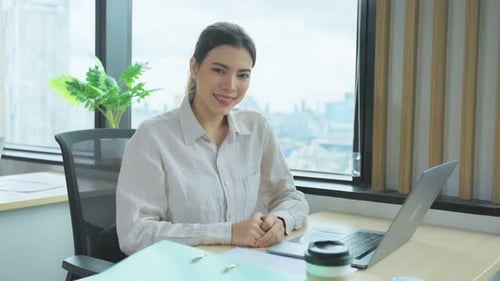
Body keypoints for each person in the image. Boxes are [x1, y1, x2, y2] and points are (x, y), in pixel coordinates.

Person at [116, 22, 309, 255]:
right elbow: (134, 234)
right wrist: (227, 232)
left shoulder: (256, 128)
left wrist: (281, 220)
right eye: (219, 70)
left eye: (242, 75)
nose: (231, 86)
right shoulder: (153, 137)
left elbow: (289, 196)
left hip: (239, 266)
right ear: (194, 67)